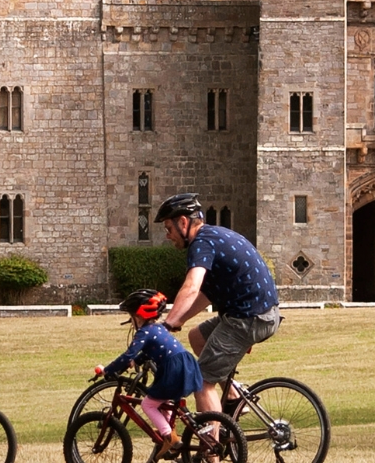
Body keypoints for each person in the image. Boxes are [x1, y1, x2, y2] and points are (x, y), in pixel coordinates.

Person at [156, 192, 281, 414]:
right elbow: (205, 295)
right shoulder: (213, 236)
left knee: (202, 382)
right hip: (255, 314)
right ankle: (233, 397)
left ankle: (211, 446)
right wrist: (178, 321)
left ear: (183, 222)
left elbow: (192, 287)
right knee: (197, 337)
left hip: (249, 319)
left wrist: (167, 324)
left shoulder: (201, 244)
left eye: (168, 228)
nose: (168, 235)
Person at [96, 289, 203, 459]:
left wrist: (107, 370)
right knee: (164, 403)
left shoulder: (144, 332)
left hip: (172, 369)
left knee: (148, 405)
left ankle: (169, 437)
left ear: (138, 316)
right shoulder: (157, 328)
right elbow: (148, 352)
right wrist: (136, 362)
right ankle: (169, 434)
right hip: (186, 364)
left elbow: (127, 355)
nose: (131, 322)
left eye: (131, 317)